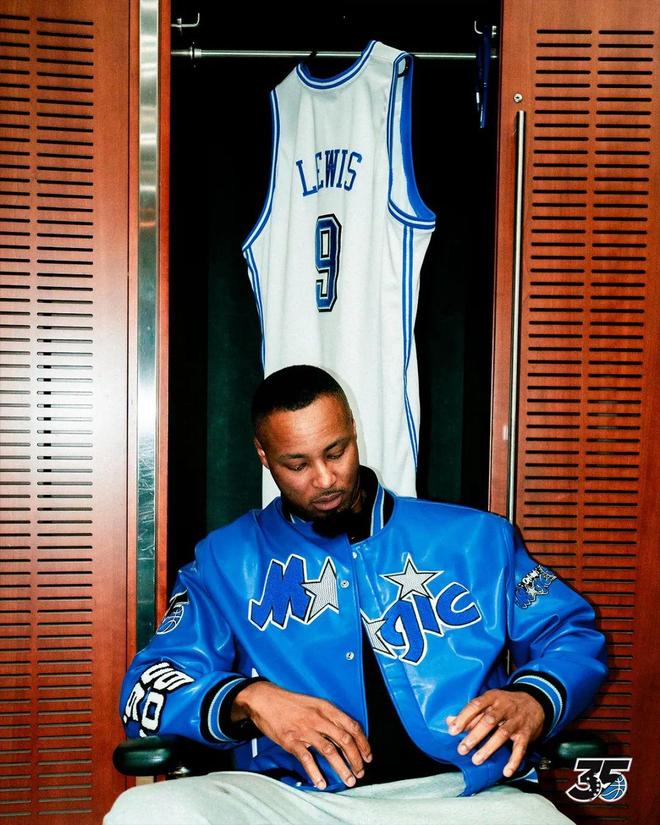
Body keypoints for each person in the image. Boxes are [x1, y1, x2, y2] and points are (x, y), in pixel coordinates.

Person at [105, 365, 607, 825]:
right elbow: (146, 686)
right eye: (297, 464)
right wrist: (247, 699)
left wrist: (534, 698)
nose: (325, 479)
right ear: (263, 456)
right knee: (146, 810)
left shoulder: (476, 538)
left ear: (353, 431)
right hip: (295, 799)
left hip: (462, 792)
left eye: (336, 452)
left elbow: (571, 633)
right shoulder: (225, 561)